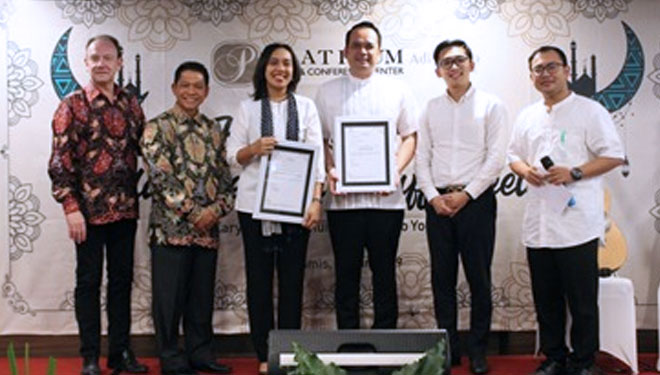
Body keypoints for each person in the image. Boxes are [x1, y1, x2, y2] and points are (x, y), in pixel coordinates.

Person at [507, 46, 624, 375]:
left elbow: (613, 155)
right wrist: (524, 170)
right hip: (539, 225)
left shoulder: (590, 111)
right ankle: (554, 357)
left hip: (577, 224)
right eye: (538, 69)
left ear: (567, 70)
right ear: (531, 76)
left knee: (583, 302)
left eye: (551, 67)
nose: (545, 74)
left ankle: (585, 362)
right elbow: (512, 155)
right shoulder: (527, 116)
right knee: (547, 300)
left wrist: (573, 172)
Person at [48, 34, 148, 375]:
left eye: (108, 57)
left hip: (125, 210)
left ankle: (120, 353)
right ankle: (90, 356)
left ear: (120, 62)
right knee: (88, 283)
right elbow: (60, 162)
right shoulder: (72, 105)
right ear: (86, 62)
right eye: (95, 58)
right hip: (87, 214)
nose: (101, 63)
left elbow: (147, 148)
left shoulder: (132, 104)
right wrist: (70, 207)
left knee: (121, 283)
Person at [226, 43, 325, 375]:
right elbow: (230, 156)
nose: (280, 69)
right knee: (259, 281)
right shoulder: (248, 109)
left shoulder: (307, 107)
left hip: (296, 208)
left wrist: (315, 200)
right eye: (273, 63)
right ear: (263, 69)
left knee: (293, 279)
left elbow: (317, 159)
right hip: (255, 207)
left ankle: (289, 352)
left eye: (286, 63)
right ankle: (264, 353)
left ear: (294, 70)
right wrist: (253, 148)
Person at [315, 21, 418, 330]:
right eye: (356, 45)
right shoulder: (327, 91)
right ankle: (348, 341)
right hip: (343, 203)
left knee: (384, 272)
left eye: (369, 45)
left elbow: (410, 136)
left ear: (380, 52)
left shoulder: (397, 89)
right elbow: (321, 139)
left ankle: (385, 339)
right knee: (345, 274)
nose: (363, 51)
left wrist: (394, 172)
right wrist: (331, 169)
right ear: (345, 51)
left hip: (386, 203)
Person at [415, 39, 508, 375]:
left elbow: (496, 159)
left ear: (471, 63)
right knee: (442, 279)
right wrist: (432, 196)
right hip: (437, 204)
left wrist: (466, 195)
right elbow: (421, 158)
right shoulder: (429, 108)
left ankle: (478, 350)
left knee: (479, 279)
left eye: (459, 60)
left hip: (477, 204)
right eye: (446, 62)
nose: (453, 67)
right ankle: (448, 349)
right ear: (438, 70)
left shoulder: (491, 105)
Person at [141, 61, 234, 375]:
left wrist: (217, 210)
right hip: (170, 230)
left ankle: (201, 353)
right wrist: (194, 212)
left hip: (207, 230)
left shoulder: (213, 130)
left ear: (206, 92)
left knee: (200, 299)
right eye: (185, 85)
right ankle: (170, 356)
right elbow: (160, 178)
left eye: (198, 86)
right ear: (174, 88)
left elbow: (224, 178)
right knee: (169, 299)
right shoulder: (157, 127)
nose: (191, 91)